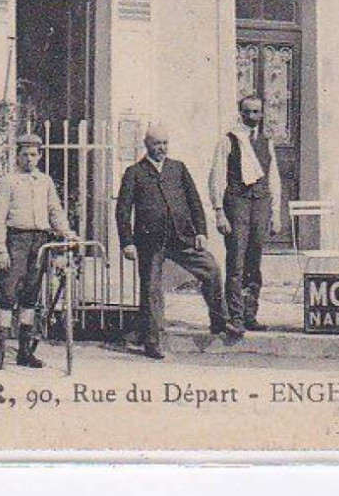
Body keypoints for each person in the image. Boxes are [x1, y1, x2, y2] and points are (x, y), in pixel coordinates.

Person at [116, 124, 238, 359]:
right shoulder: (134, 172)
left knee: (211, 269)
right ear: (146, 145)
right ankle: (153, 341)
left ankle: (219, 321)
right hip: (150, 242)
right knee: (151, 289)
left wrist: (201, 232)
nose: (161, 148)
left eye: (164, 143)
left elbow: (194, 202)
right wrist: (127, 242)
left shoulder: (178, 168)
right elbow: (122, 211)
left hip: (182, 237)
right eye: (156, 144)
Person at [0, 133, 75, 371]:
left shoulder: (45, 181)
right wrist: (0, 248)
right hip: (16, 239)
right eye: (24, 154)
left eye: (33, 154)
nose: (29, 159)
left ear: (40, 156)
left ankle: (24, 352)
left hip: (40, 241)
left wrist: (66, 232)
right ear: (17, 156)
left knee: (30, 295)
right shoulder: (9, 181)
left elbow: (54, 210)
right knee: (7, 295)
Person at [209, 95, 283, 332]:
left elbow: (274, 178)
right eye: (248, 112)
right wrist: (219, 211)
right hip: (237, 203)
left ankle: (251, 315)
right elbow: (217, 176)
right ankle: (236, 318)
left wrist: (276, 213)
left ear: (262, 114)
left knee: (255, 260)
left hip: (260, 203)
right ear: (240, 113)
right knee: (236, 260)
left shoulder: (266, 141)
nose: (252, 117)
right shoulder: (229, 140)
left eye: (256, 112)